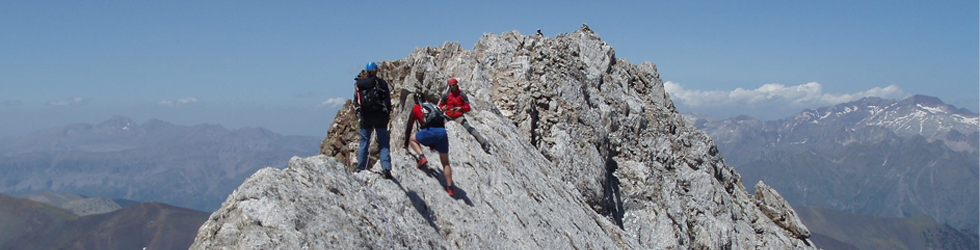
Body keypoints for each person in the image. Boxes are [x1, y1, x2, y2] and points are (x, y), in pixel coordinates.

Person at [405, 92, 455, 196]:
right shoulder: (434, 107)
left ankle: (422, 156)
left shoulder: (416, 108)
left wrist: (405, 144)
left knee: (412, 139)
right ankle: (450, 188)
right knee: (445, 163)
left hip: (429, 131)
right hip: (442, 132)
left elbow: (409, 126)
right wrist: (433, 144)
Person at [353, 62, 393, 179]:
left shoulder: (360, 84)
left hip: (366, 116)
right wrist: (386, 114)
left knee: (364, 141)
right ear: (377, 70)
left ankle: (360, 168)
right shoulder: (382, 84)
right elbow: (388, 102)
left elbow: (357, 101)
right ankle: (386, 167)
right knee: (383, 143)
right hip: (380, 116)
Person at [439, 78, 491, 153]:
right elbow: (440, 105)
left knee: (468, 128)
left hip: (458, 117)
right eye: (450, 86)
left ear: (456, 85)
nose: (451, 87)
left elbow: (468, 108)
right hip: (448, 116)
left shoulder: (462, 95)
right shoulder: (446, 95)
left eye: (453, 85)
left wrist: (461, 108)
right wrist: (442, 108)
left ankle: (484, 143)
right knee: (438, 125)